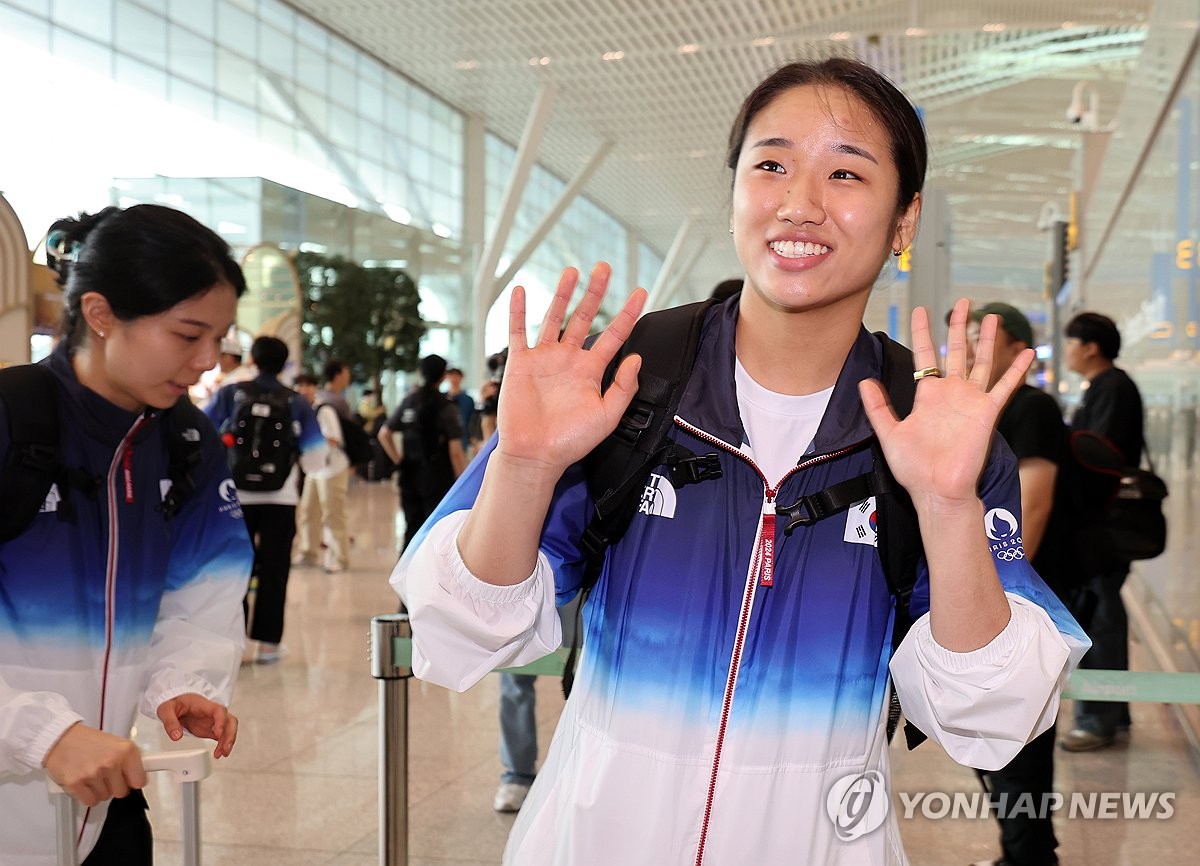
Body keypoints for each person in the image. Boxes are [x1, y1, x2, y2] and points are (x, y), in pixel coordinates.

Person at [391, 59, 1088, 865]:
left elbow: (989, 714)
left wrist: (946, 505)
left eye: (846, 172)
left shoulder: (935, 434)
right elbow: (462, 631)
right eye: (771, 164)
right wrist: (524, 465)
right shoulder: (628, 383)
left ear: (904, 221)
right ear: (733, 195)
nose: (800, 202)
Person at [0, 204, 253, 864]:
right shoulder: (10, 421)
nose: (206, 361)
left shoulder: (188, 443)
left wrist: (180, 682)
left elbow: (202, 594)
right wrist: (40, 733)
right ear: (101, 314)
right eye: (187, 334)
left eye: (219, 338)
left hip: (105, 802)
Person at [967, 303, 1073, 866]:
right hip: (996, 594)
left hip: (1018, 599)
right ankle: (1026, 851)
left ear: (1018, 351)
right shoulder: (992, 411)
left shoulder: (1031, 408)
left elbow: (1032, 504)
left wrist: (999, 593)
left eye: (985, 339)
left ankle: (1029, 856)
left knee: (1018, 741)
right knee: (997, 740)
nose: (967, 350)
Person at [204, 337, 328, 664]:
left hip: (234, 497)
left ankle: (235, 645)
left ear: (252, 359)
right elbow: (316, 459)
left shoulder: (231, 393)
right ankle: (269, 645)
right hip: (281, 498)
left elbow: (201, 435)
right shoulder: (296, 401)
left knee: (235, 570)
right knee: (275, 569)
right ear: (285, 362)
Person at [1059, 312, 1145, 752]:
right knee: (1103, 611)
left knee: (1100, 616)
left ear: (1091, 346)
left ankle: (1098, 719)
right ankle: (1114, 711)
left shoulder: (1113, 387)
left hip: (1104, 525)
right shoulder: (1105, 387)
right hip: (1097, 523)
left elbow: (1098, 456)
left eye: (1071, 341)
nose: (1068, 349)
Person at [377, 354, 467, 550]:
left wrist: (399, 460)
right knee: (435, 530)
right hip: (437, 477)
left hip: (409, 474)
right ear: (443, 376)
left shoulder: (409, 401)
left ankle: (404, 574)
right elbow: (455, 451)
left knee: (411, 526)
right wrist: (463, 481)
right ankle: (428, 576)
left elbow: (384, 434)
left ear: (421, 373)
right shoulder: (447, 406)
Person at [295, 359, 354, 573]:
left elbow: (335, 439)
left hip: (332, 469)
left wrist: (311, 439)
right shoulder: (302, 412)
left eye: (307, 385)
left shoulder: (323, 410)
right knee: (308, 512)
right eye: (299, 386)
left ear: (314, 388)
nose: (303, 390)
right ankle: (308, 553)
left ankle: (341, 558)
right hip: (314, 470)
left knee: (333, 513)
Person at [444, 367, 477, 455]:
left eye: (456, 376)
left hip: (463, 440)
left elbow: (472, 420)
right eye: (451, 376)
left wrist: (473, 439)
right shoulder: (442, 398)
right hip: (445, 441)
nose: (454, 379)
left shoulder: (468, 400)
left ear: (461, 378)